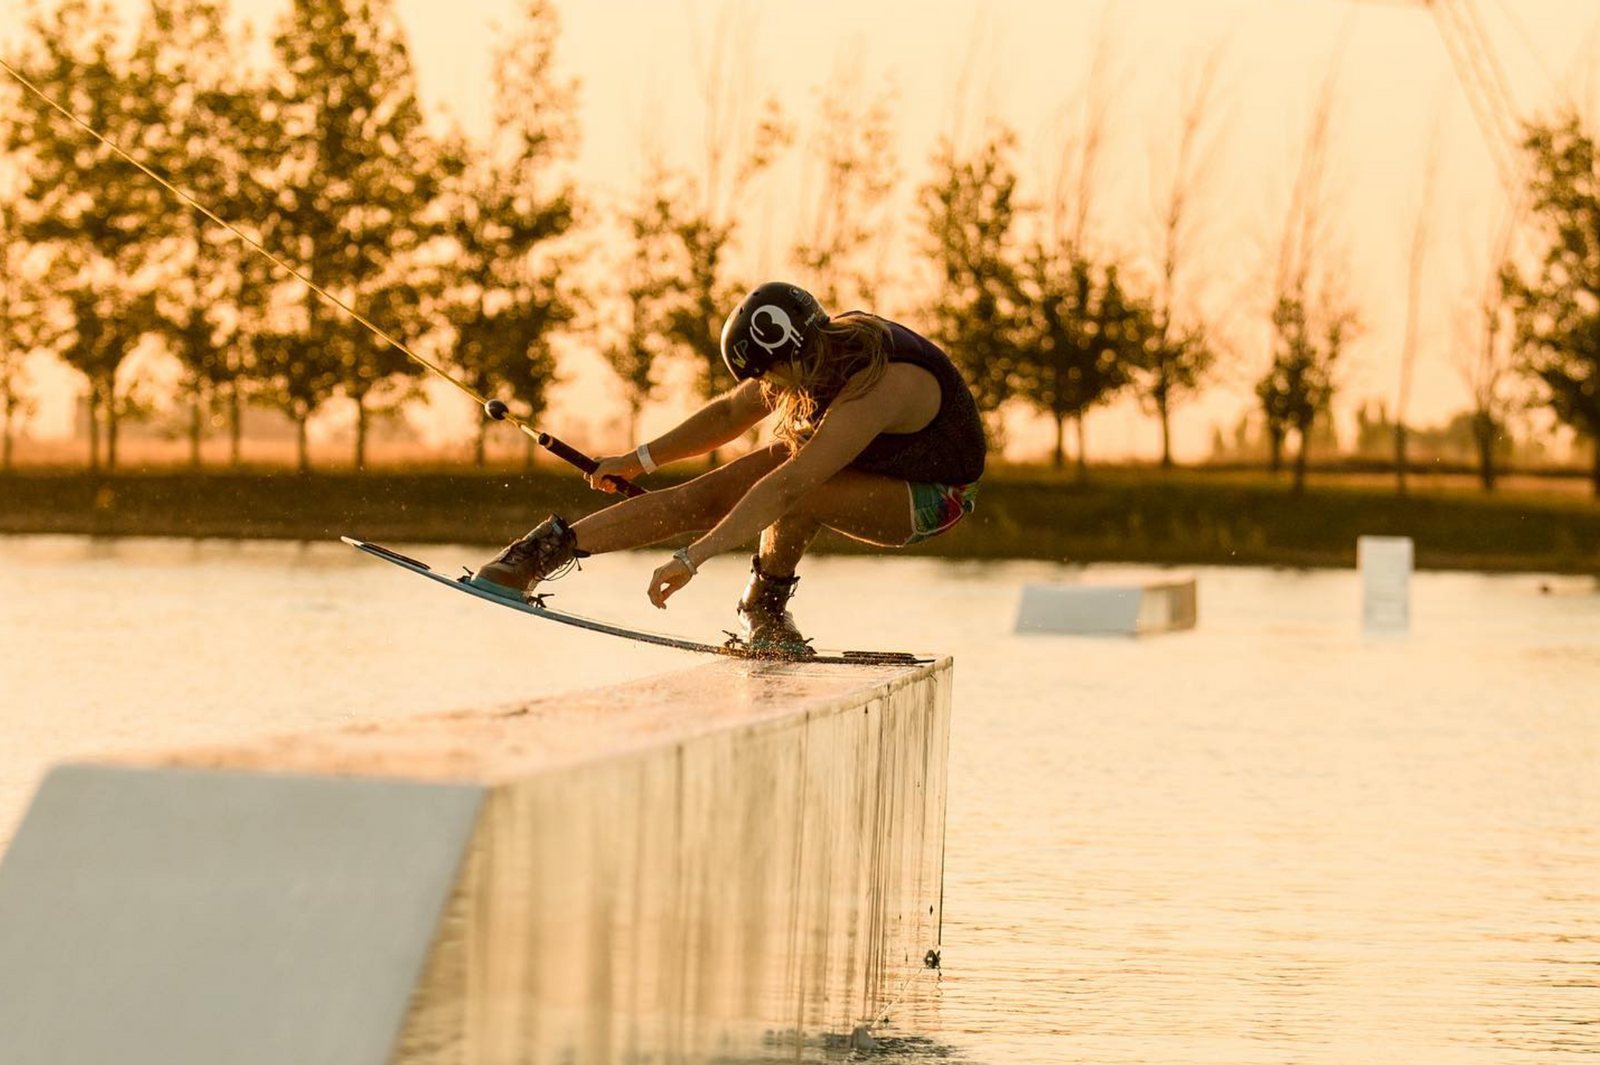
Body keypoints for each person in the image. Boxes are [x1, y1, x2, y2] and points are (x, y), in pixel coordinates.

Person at [469, 281, 987, 654]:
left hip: (931, 499)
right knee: (709, 494)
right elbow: (729, 413)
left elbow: (790, 486)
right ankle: (533, 558)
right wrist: (636, 460)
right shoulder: (808, 353)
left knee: (793, 478)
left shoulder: (880, 384)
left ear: (794, 354)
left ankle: (763, 606)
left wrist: (692, 559)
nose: (771, 391)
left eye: (771, 378)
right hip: (846, 476)